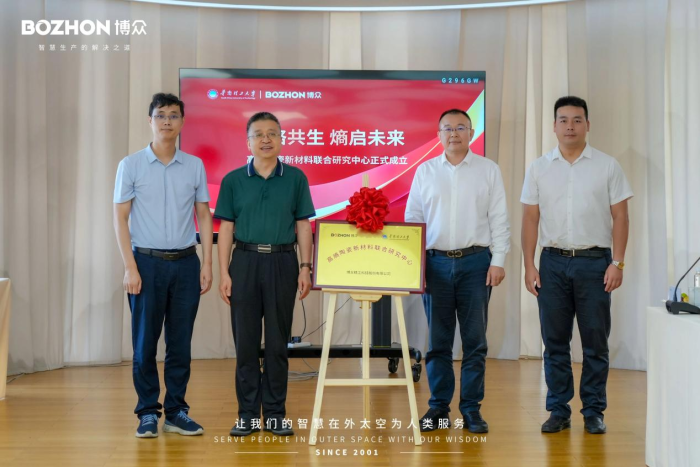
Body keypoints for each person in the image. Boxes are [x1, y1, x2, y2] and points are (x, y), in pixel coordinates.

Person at [520, 96, 633, 435]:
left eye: (577, 120)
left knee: (595, 342)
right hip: (552, 263)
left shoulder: (607, 166)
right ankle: (558, 409)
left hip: (595, 264)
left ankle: (594, 411)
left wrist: (618, 262)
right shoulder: (539, 168)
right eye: (564, 120)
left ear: (587, 125)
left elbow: (621, 216)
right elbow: (530, 218)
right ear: (554, 126)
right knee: (554, 341)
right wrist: (529, 265)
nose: (570, 126)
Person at [113, 93, 213, 438]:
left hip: (186, 263)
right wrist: (130, 267)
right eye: (160, 115)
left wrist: (207, 263)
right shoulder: (131, 165)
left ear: (182, 122)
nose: (167, 121)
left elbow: (204, 215)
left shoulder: (194, 165)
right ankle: (146, 412)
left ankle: (176, 411)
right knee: (144, 344)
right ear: (150, 121)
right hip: (146, 263)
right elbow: (120, 218)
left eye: (173, 115)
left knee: (180, 344)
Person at [405, 108, 510, 434]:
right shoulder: (425, 171)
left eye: (461, 128)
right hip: (434, 264)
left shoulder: (488, 170)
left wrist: (498, 260)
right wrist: (415, 265)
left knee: (475, 341)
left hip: (476, 264)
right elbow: (413, 219)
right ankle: (438, 408)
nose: (454, 134)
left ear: (471, 133)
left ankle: (471, 410)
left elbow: (499, 219)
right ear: (439, 135)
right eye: (448, 128)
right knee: (438, 342)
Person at [215, 111, 315, 437]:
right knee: (245, 343)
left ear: (282, 139)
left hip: (283, 263)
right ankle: (247, 414)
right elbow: (225, 228)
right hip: (244, 263)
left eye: (272, 133)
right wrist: (224, 272)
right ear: (248, 142)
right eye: (258, 134)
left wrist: (305, 267)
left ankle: (274, 414)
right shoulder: (233, 180)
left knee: (276, 344)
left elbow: (303, 225)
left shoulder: (296, 178)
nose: (266, 139)